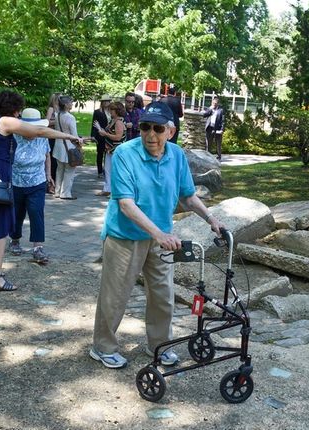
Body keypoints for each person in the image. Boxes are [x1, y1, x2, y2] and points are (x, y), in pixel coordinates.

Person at [89, 101, 225, 369]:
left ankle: (160, 345)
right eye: (145, 127)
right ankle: (102, 347)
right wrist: (159, 234)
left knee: (163, 295)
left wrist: (211, 219)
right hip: (125, 236)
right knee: (115, 295)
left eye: (158, 128)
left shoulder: (176, 156)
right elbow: (126, 204)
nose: (151, 134)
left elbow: (188, 196)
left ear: (170, 132)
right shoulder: (125, 154)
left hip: (160, 237)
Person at [0, 91, 84, 291]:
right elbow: (39, 132)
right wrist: (69, 135)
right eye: (17, 111)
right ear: (13, 109)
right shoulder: (6, 121)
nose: (18, 115)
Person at [8, 108, 54, 264]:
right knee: (17, 212)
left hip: (37, 181)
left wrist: (48, 175)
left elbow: (47, 155)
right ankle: (14, 240)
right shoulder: (14, 136)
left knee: (36, 212)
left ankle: (38, 247)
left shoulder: (42, 137)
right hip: (16, 181)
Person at [51, 95, 82, 200]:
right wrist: (80, 142)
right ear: (66, 104)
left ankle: (57, 191)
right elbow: (74, 135)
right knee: (69, 170)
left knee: (59, 169)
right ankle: (66, 193)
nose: (72, 104)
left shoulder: (57, 115)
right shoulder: (70, 117)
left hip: (58, 145)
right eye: (70, 102)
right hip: (68, 146)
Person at [96, 101, 126, 197]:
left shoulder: (119, 122)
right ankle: (107, 189)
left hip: (116, 150)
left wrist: (105, 134)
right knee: (107, 170)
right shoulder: (112, 120)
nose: (110, 111)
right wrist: (101, 130)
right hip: (109, 149)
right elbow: (108, 132)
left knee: (114, 170)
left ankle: (114, 191)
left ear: (117, 111)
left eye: (112, 109)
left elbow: (118, 137)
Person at [91, 94, 112, 178]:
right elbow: (94, 124)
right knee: (100, 153)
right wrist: (93, 135)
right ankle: (100, 171)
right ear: (102, 102)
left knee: (108, 154)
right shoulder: (97, 112)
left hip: (109, 135)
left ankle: (106, 170)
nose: (107, 103)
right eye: (105, 101)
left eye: (108, 101)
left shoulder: (111, 111)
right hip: (100, 135)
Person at [45, 92, 62, 193]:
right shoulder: (51, 109)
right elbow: (46, 122)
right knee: (52, 161)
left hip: (58, 137)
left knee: (57, 161)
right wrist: (57, 121)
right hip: (51, 137)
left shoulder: (61, 110)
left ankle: (56, 184)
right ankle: (50, 185)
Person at [202, 96, 225, 160]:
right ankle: (208, 156)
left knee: (218, 143)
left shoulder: (221, 110)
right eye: (213, 103)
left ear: (217, 104)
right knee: (208, 143)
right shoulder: (210, 109)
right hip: (209, 128)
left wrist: (222, 130)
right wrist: (210, 109)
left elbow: (223, 121)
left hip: (217, 129)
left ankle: (219, 157)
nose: (214, 105)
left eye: (215, 104)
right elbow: (204, 115)